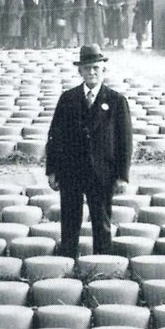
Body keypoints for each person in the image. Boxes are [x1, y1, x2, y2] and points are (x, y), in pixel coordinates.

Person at [45, 44, 133, 258]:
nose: (91, 72)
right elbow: (54, 136)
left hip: (101, 172)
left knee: (101, 222)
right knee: (70, 221)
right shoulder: (68, 99)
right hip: (71, 171)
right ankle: (68, 263)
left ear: (103, 69)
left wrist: (122, 175)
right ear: (80, 71)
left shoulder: (116, 100)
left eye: (95, 68)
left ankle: (101, 265)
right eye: (87, 68)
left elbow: (124, 142)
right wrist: (52, 170)